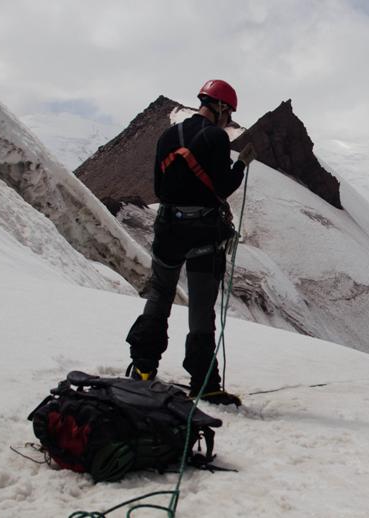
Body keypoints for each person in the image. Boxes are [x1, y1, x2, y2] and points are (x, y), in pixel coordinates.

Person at [125, 79, 256, 406]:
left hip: (168, 226)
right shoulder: (216, 138)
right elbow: (223, 186)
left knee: (160, 294)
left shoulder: (168, 136)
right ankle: (204, 383)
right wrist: (241, 164)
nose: (229, 120)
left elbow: (159, 186)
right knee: (200, 308)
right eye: (230, 112)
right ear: (222, 108)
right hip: (203, 231)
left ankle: (143, 367)